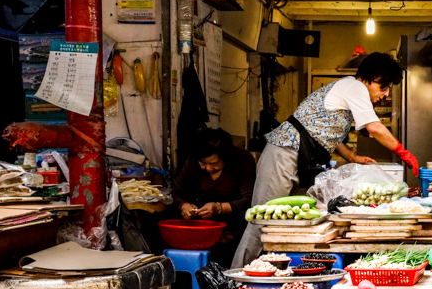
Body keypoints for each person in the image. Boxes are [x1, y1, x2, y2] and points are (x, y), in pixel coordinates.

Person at [232, 52, 418, 267]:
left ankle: (270, 276)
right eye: (383, 88)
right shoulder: (355, 87)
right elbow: (374, 127)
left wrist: (351, 156)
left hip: (302, 158)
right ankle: (233, 281)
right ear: (371, 77)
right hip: (285, 153)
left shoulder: (349, 92)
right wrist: (404, 153)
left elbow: (324, 131)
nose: (385, 94)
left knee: (291, 221)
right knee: (263, 222)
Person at [172, 127, 256, 263]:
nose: (209, 168)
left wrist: (219, 208)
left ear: (226, 157)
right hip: (202, 212)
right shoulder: (193, 161)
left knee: (245, 218)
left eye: (214, 164)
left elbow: (249, 199)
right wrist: (184, 205)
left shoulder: (242, 159)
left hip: (232, 213)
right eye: (203, 163)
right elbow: (176, 192)